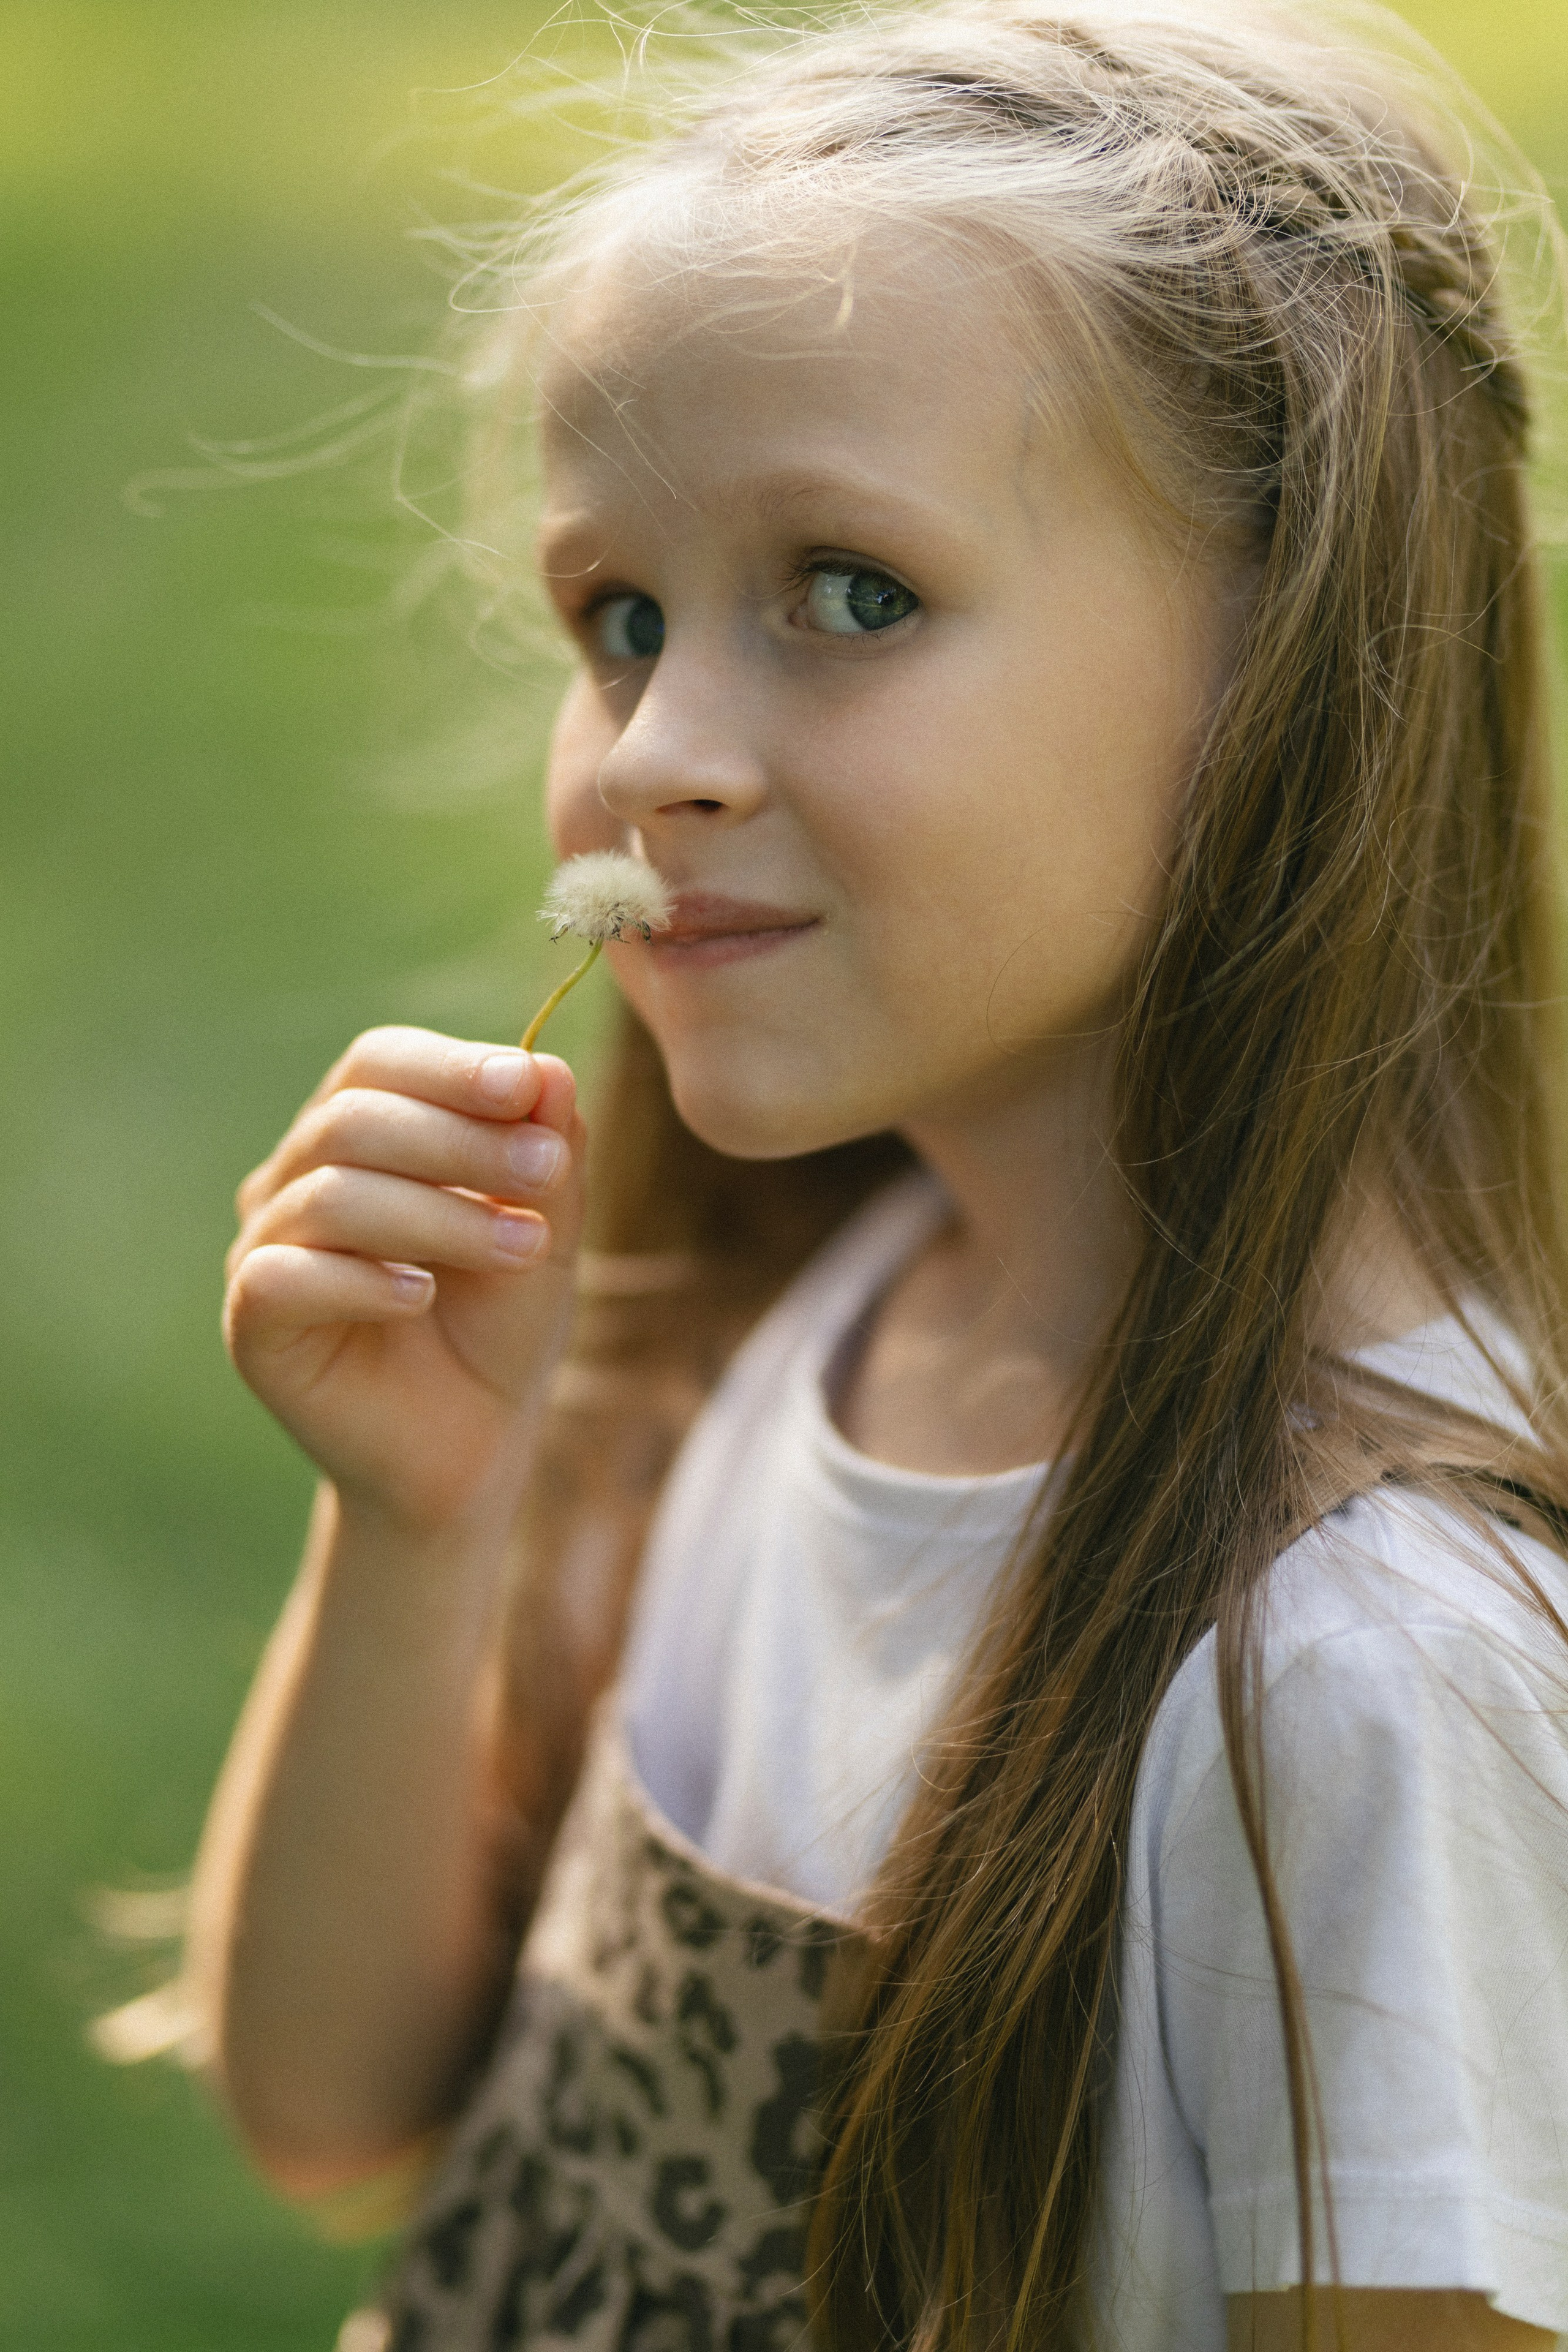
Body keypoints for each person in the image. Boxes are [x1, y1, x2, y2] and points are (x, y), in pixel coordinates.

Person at [185, 2, 1568, 2345]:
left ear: (1292, 664)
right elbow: (341, 2110)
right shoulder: (816, 1322)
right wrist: (420, 1529)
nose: (659, 749)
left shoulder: (1359, 1685)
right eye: (616, 620)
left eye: (848, 592)